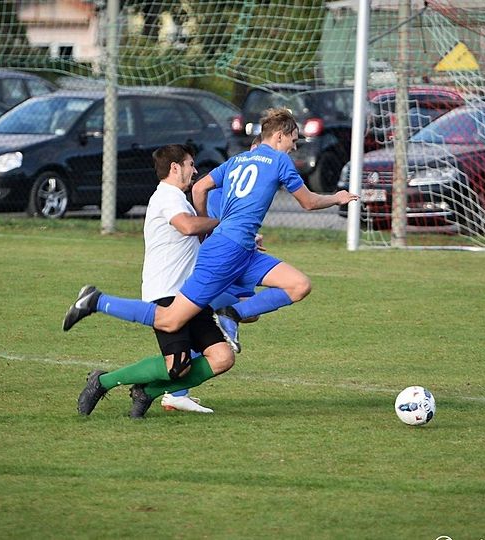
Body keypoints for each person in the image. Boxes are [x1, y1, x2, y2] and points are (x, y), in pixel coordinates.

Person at [63, 108, 358, 352]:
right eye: (293, 140)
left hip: (242, 249)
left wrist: (209, 223)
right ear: (279, 136)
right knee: (169, 320)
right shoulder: (280, 159)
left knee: (298, 285)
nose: (294, 146)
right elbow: (307, 202)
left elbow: (201, 186)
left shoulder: (238, 159)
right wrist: (337, 197)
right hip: (227, 250)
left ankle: (231, 314)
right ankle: (96, 301)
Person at [73, 144, 235, 419]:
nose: (195, 170)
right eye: (190, 164)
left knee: (222, 357)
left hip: (191, 294)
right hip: (167, 291)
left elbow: (199, 237)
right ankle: (102, 381)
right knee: (178, 366)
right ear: (175, 167)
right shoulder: (166, 197)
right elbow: (187, 227)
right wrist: (221, 221)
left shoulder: (179, 199)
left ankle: (147, 392)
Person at [162, 136, 264, 413]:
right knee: (227, 312)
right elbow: (206, 223)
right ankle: (173, 392)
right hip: (210, 265)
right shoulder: (230, 181)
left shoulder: (254, 181)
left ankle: (176, 392)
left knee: (247, 311)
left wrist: (248, 238)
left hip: (227, 261)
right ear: (254, 149)